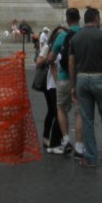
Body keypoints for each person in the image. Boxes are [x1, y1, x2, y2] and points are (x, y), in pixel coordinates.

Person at [69, 7, 102, 168]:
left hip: (82, 79)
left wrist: (73, 86)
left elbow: (71, 64)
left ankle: (90, 157)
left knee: (87, 120)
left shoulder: (75, 38)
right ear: (96, 19)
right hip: (100, 77)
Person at [43, 6, 83, 157]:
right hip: (81, 78)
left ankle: (66, 140)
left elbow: (50, 58)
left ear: (67, 20)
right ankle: (79, 146)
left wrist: (55, 74)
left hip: (64, 78)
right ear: (79, 18)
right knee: (79, 113)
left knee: (61, 109)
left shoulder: (62, 35)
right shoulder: (84, 33)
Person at [36, 25, 63, 154]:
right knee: (53, 111)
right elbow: (38, 62)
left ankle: (59, 138)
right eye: (58, 34)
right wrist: (49, 57)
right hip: (50, 84)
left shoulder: (65, 48)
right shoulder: (48, 47)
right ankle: (48, 138)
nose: (60, 36)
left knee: (58, 112)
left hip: (61, 83)